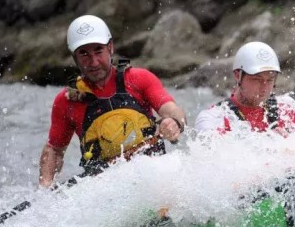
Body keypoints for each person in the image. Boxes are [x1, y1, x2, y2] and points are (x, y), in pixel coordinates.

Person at [39, 15, 186, 187]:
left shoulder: (139, 79)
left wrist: (173, 122)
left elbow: (172, 110)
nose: (93, 62)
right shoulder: (67, 101)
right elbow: (55, 150)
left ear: (110, 47)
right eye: (84, 54)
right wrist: (45, 186)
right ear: (74, 57)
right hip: (104, 187)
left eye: (98, 51)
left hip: (152, 177)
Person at [194, 42, 295, 136]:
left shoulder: (289, 108)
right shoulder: (212, 119)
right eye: (257, 79)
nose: (264, 87)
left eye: (270, 79)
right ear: (238, 75)